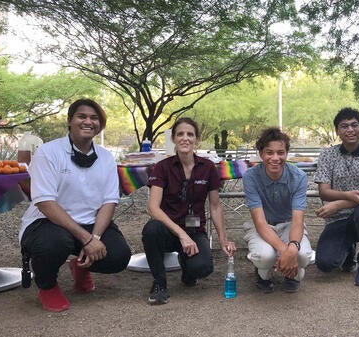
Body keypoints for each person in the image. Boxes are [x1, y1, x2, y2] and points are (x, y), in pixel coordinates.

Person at [19, 98, 131, 312]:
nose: (88, 121)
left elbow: (109, 201)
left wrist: (95, 238)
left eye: (94, 118)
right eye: (82, 116)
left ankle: (80, 266)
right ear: (70, 121)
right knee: (54, 244)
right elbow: (44, 202)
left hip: (90, 224)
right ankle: (47, 285)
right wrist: (86, 239)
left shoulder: (106, 158)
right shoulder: (49, 152)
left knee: (119, 255)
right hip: (48, 222)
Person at [142, 117, 236, 305]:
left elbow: (215, 206)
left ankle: (187, 269)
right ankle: (159, 283)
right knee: (151, 230)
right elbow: (152, 208)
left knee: (203, 268)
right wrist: (181, 234)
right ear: (174, 139)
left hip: (195, 230)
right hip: (168, 230)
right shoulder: (162, 167)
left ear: (196, 140)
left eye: (190, 134)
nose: (185, 138)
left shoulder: (208, 167)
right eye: (180, 134)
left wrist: (223, 238)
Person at [314, 107, 359, 287]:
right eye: (344, 126)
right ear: (337, 131)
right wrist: (347, 197)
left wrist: (338, 204)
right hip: (336, 220)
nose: (350, 130)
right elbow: (324, 191)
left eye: (354, 125)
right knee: (325, 264)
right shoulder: (327, 155)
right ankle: (349, 249)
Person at [242, 127, 312, 293]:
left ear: (286, 153)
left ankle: (293, 274)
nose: (275, 158)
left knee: (302, 256)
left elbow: (297, 220)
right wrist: (284, 251)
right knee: (265, 256)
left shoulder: (299, 177)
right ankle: (263, 274)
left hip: (289, 224)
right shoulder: (250, 177)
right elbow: (259, 222)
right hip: (264, 224)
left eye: (280, 153)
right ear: (261, 153)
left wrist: (293, 248)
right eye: (269, 152)